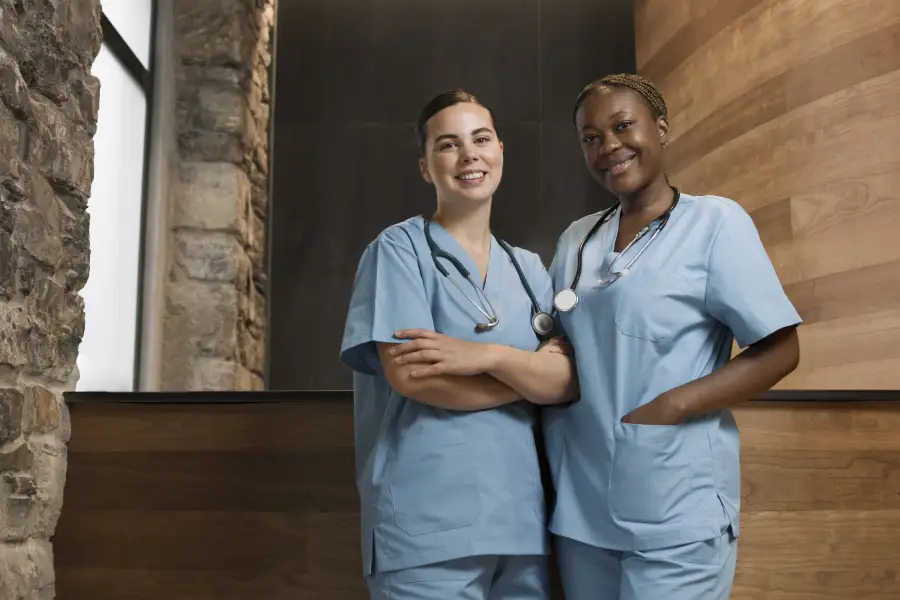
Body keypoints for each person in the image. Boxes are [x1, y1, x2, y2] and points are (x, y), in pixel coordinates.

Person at [542, 73, 803, 599]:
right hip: (582, 508)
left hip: (675, 503)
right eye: (591, 138)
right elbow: (558, 347)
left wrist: (675, 405)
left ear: (661, 128)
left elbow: (780, 349)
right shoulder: (577, 238)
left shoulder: (715, 223)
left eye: (622, 126)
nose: (608, 146)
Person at [339, 89, 578, 600]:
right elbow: (414, 376)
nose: (469, 154)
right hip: (425, 529)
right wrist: (526, 378)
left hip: (519, 528)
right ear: (426, 168)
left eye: (481, 139)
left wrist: (485, 356)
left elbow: (566, 380)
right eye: (448, 145)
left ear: (500, 153)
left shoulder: (529, 268)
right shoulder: (399, 250)